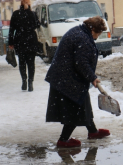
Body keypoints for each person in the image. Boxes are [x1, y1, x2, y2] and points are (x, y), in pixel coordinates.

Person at [45, 16, 110, 148]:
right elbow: (81, 62)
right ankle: (63, 140)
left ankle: (92, 131)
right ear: (93, 30)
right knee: (75, 109)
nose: (97, 37)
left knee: (83, 104)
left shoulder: (79, 31)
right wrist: (92, 77)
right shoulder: (83, 38)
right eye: (98, 33)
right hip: (67, 80)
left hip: (65, 77)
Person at [8, 0, 40, 92]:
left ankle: (24, 81)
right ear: (29, 4)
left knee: (22, 63)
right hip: (31, 41)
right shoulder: (33, 14)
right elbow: (37, 25)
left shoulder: (16, 14)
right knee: (31, 63)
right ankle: (30, 83)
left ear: (20, 4)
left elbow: (11, 29)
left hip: (20, 41)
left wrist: (11, 42)